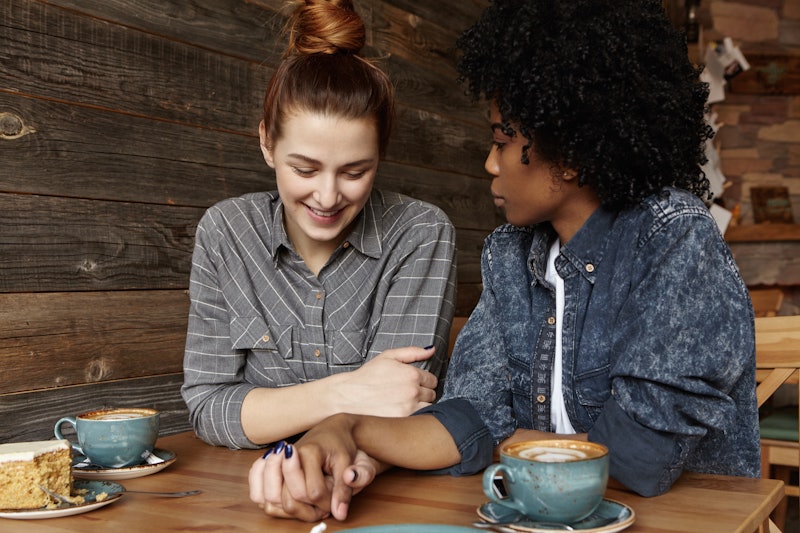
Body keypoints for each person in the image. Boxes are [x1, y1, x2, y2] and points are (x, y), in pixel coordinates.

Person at [248, 0, 761, 522]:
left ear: (573, 154)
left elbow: (638, 459)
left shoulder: (672, 239)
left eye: (502, 139)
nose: (489, 162)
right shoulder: (510, 254)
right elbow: (466, 419)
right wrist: (346, 429)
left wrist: (494, 441)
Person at [181, 0, 457, 450]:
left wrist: (271, 409)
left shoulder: (420, 233)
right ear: (267, 143)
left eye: (354, 172)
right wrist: (344, 391)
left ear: (380, 155)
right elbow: (209, 406)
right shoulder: (226, 232)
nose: (328, 197)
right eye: (305, 170)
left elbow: (399, 404)